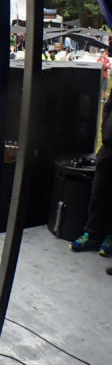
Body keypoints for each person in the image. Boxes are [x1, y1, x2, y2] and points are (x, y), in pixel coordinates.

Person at [70, 94, 112, 257]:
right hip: (108, 149)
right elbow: (108, 106)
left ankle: (109, 237)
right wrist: (105, 129)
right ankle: (91, 235)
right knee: (98, 193)